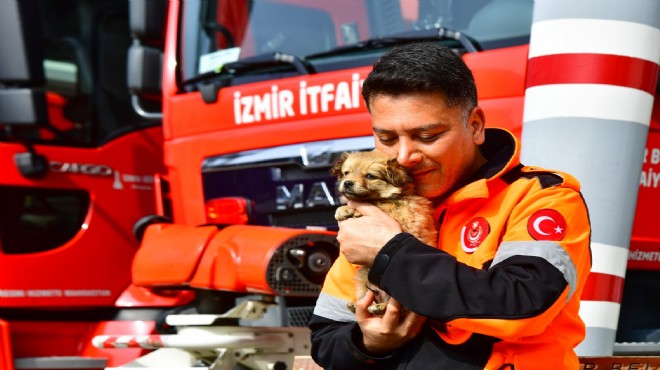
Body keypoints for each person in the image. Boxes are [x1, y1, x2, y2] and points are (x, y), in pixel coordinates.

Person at [309, 42, 592, 369]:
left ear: (475, 125)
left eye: (427, 136)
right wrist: (370, 343)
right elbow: (327, 339)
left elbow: (522, 307)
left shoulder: (541, 196)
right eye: (387, 139)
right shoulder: (376, 211)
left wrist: (390, 254)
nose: (404, 156)